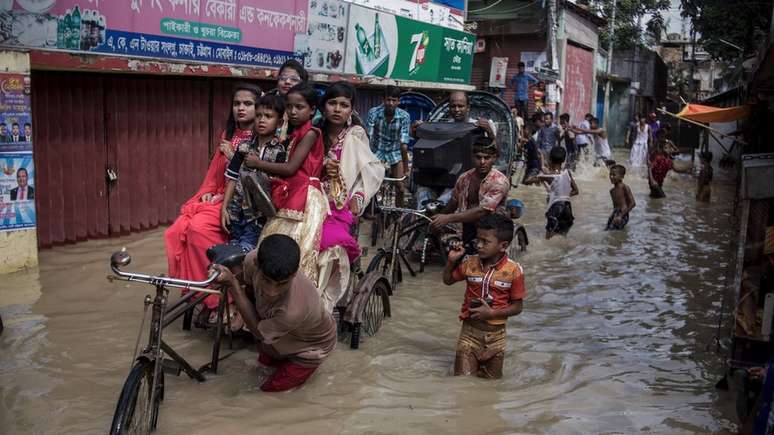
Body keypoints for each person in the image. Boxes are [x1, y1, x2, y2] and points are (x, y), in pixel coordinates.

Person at [165, 83, 260, 318]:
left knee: (196, 228)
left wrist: (232, 157)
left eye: (248, 104)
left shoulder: (262, 138)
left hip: (244, 202)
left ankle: (221, 295)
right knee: (175, 231)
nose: (241, 108)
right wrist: (210, 191)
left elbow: (256, 179)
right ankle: (199, 290)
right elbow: (216, 176)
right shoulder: (228, 135)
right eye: (237, 103)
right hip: (221, 195)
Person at [211, 234, 337, 392]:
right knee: (261, 368)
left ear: (294, 274)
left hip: (309, 348)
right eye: (266, 280)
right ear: (256, 264)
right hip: (278, 334)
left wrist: (233, 286)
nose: (271, 292)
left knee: (269, 393)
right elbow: (246, 281)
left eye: (281, 284)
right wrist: (230, 278)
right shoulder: (251, 260)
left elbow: (258, 333)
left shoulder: (293, 310)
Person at [248, 83, 327, 284]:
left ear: (312, 110)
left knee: (298, 246)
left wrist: (259, 163)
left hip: (305, 196)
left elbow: (291, 168)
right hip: (295, 192)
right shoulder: (295, 134)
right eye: (289, 106)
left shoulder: (311, 133)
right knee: (276, 240)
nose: (292, 111)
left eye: (299, 107)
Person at [317, 82, 384, 311]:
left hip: (341, 202)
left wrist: (358, 197)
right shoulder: (315, 133)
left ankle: (328, 302)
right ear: (323, 107)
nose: (337, 109)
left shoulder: (355, 134)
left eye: (343, 105)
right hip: (314, 199)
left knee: (331, 245)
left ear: (351, 110)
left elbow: (369, 169)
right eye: (332, 103)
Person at [442, 213, 526, 379]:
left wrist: (492, 313)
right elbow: (448, 281)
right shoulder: (470, 263)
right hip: (469, 334)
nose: (479, 245)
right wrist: (451, 261)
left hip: (496, 338)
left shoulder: (514, 271)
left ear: (503, 246)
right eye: (477, 240)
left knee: (491, 387)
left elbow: (518, 307)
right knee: (462, 382)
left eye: (485, 242)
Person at [221, 94, 286, 253]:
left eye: (268, 116)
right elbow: (232, 177)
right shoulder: (244, 146)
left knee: (246, 250)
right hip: (235, 211)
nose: (262, 120)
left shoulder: (279, 151)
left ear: (279, 123)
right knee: (233, 247)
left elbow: (277, 185)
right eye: (258, 116)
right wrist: (224, 207)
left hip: (258, 216)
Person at [429, 137, 510, 253]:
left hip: (493, 228)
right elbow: (454, 201)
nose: (482, 162)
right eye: (478, 157)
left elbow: (482, 211)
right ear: (472, 157)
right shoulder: (464, 178)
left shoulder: (499, 181)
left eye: (487, 158)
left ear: (494, 158)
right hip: (467, 227)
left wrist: (448, 218)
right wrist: (439, 218)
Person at [366, 85, 411, 206]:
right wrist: (367, 160)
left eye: (394, 100)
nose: (391, 103)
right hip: (377, 149)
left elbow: (404, 145)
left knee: (400, 186)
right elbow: (367, 138)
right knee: (370, 183)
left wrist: (406, 170)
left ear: (398, 101)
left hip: (395, 150)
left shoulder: (404, 116)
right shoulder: (373, 113)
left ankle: (398, 213)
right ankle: (370, 210)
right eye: (388, 99)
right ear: (383, 99)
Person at [525, 146, 579, 239]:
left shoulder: (549, 176)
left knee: (549, 239)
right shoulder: (567, 172)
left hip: (556, 209)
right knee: (562, 237)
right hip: (567, 208)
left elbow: (527, 181)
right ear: (564, 160)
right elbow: (576, 191)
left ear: (550, 159)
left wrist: (538, 177)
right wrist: (562, 196)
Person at [606, 164, 635, 230]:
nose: (611, 177)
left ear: (622, 176)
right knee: (607, 230)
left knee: (613, 231)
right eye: (610, 174)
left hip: (623, 214)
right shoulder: (612, 191)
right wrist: (614, 215)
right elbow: (615, 206)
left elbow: (633, 203)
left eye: (614, 175)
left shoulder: (624, 187)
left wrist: (621, 216)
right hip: (615, 213)